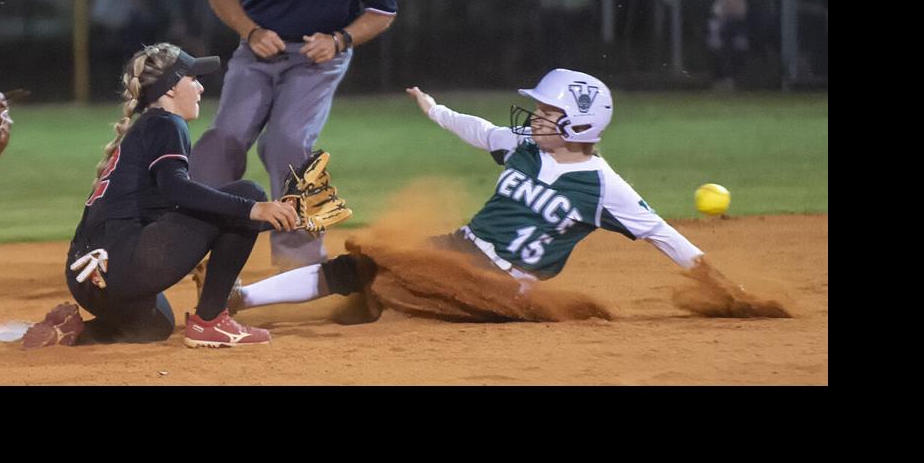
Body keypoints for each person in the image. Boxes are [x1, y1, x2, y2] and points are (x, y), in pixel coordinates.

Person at [230, 69, 778, 321]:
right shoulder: (526, 147)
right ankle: (244, 300)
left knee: (385, 279)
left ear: (579, 127)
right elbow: (482, 131)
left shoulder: (603, 187)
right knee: (369, 265)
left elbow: (662, 234)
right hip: (461, 247)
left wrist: (720, 284)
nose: (535, 116)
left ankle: (267, 302)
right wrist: (437, 111)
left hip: (502, 285)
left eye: (548, 112)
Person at [194, 0, 398, 269]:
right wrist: (249, 31)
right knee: (225, 137)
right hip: (258, 52)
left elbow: (382, 11)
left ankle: (299, 260)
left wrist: (340, 39)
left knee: (288, 141)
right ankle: (191, 234)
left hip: (316, 59)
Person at [21, 43, 301, 349]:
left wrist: (277, 218)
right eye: (192, 79)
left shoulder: (146, 128)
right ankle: (211, 322)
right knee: (249, 192)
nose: (200, 87)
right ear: (169, 89)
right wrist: (255, 208)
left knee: (156, 325)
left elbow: (192, 209)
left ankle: (71, 332)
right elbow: (177, 189)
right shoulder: (166, 123)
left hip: (89, 278)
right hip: (119, 268)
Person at [91, 0, 157, 71]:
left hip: (133, 40)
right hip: (108, 36)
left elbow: (149, 20)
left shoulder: (140, 0)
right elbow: (98, 17)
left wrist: (138, 3)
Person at [706, 0, 751, 92]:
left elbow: (742, 13)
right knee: (724, 47)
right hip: (722, 38)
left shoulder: (741, 1)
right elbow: (715, 17)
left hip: (733, 40)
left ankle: (728, 79)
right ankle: (722, 79)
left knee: (739, 44)